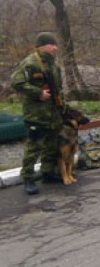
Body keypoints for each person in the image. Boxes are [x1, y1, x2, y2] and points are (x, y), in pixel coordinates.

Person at [11, 32, 67, 195]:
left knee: (51, 145)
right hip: (36, 114)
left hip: (53, 114)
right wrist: (38, 93)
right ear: (41, 45)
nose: (55, 48)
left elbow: (59, 90)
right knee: (34, 147)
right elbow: (16, 82)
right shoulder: (30, 63)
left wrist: (62, 108)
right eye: (51, 44)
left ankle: (47, 173)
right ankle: (28, 178)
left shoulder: (54, 66)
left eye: (55, 45)